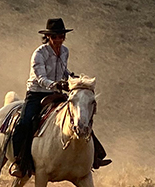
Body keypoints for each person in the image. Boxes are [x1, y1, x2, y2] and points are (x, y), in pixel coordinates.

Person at [11, 18, 110, 176]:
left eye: (61, 36)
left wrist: (71, 77)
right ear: (48, 37)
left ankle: (95, 156)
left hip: (56, 92)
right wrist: (56, 85)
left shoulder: (65, 51)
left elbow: (63, 70)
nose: (58, 40)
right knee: (24, 122)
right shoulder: (39, 54)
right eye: (55, 36)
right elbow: (40, 78)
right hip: (36, 93)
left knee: (79, 113)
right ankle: (18, 161)